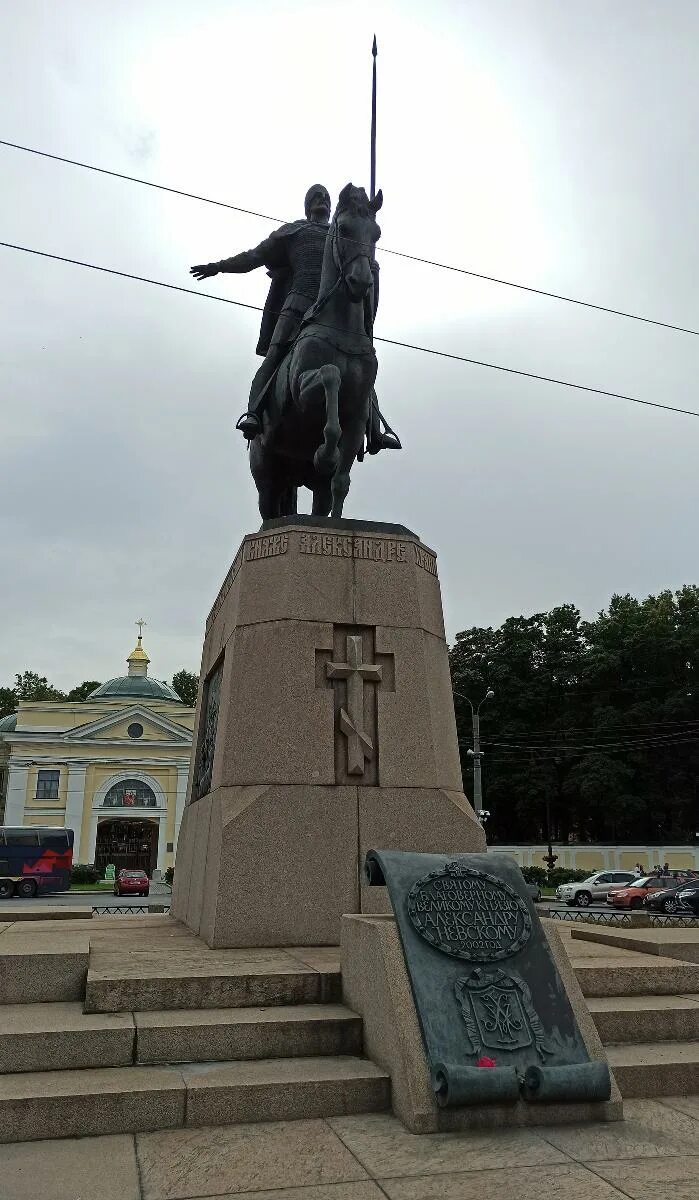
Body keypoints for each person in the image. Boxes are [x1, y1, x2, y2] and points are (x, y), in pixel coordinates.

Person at [190, 184, 400, 454]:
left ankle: (373, 428)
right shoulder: (294, 232)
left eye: (325, 196)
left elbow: (362, 255)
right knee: (275, 357)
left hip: (336, 311)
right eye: (315, 196)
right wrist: (219, 267)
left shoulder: (344, 230)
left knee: (360, 361)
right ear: (307, 204)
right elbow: (254, 256)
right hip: (297, 306)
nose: (321, 200)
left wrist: (368, 253)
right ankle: (254, 412)